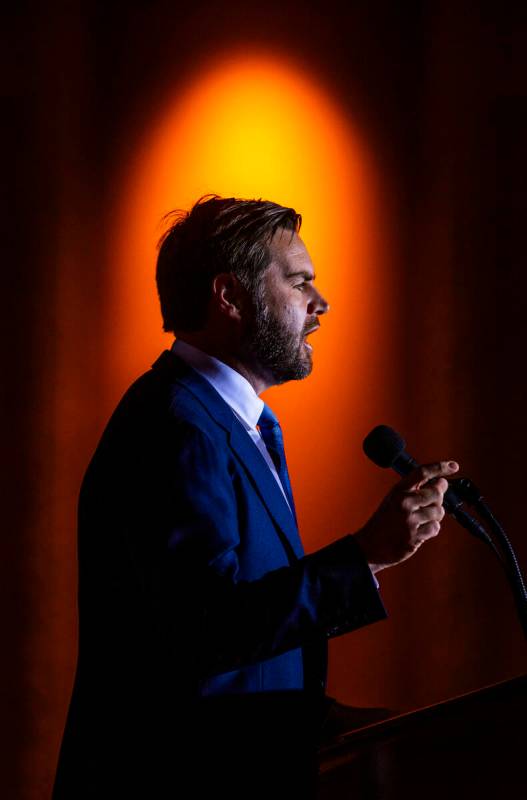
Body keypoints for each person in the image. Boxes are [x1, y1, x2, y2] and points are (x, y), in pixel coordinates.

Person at [52, 195, 458, 799]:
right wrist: (365, 556)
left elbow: (237, 638)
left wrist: (322, 720)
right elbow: (203, 629)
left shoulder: (239, 422)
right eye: (299, 283)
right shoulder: (178, 426)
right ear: (229, 295)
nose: (321, 304)